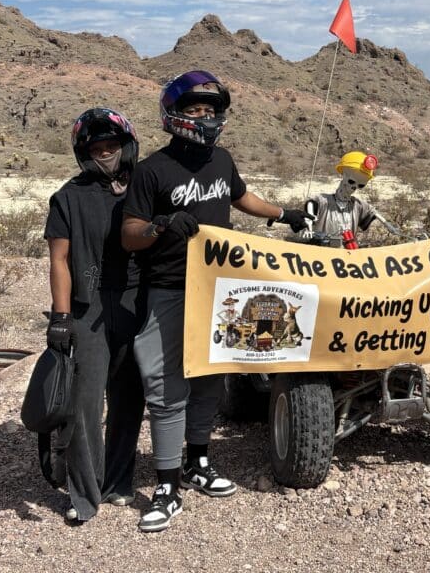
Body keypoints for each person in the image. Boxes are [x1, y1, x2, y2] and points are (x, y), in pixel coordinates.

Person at [121, 70, 311, 532]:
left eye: (211, 109)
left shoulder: (221, 159)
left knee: (210, 379)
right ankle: (166, 483)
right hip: (168, 288)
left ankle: (197, 462)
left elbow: (242, 197)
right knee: (166, 388)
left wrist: (283, 213)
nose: (204, 117)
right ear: (174, 115)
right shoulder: (152, 170)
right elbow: (129, 235)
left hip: (220, 290)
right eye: (194, 109)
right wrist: (161, 225)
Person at [43, 107, 146, 523]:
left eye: (111, 146)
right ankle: (84, 495)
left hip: (137, 303)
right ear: (84, 153)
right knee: (84, 403)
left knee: (129, 397)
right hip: (88, 308)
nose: (105, 154)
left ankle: (118, 481)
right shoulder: (67, 197)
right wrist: (61, 317)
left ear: (126, 146)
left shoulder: (144, 186)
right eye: (97, 148)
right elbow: (60, 260)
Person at [300, 151, 407, 247]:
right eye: (351, 182)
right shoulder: (324, 201)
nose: (354, 188)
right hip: (322, 254)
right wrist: (308, 227)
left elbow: (374, 213)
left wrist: (391, 228)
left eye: (360, 185)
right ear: (344, 175)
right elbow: (311, 203)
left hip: (348, 255)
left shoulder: (357, 206)